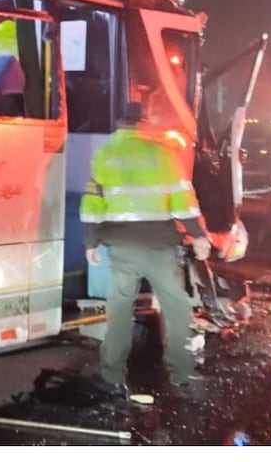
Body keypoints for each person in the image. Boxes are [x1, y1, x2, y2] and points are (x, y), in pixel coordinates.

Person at [80, 101, 214, 399]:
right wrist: (198, 235)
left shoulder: (104, 155)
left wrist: (91, 242)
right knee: (176, 305)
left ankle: (112, 376)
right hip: (159, 245)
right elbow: (183, 200)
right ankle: (181, 372)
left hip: (122, 246)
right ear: (144, 123)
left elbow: (93, 202)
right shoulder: (163, 154)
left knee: (119, 309)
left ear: (119, 123)